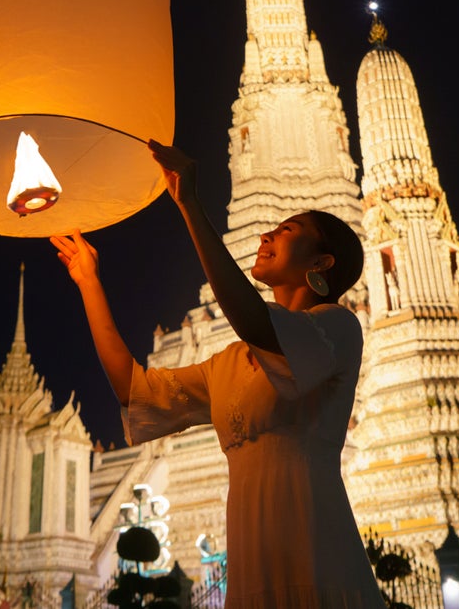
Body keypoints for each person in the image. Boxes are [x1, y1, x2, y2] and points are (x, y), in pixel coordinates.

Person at [52, 141, 383, 609]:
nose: (266, 235)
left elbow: (256, 321)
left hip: (317, 549)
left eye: (286, 230)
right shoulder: (228, 361)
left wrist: (190, 206)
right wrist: (89, 281)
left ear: (320, 264)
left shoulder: (337, 327)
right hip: (250, 558)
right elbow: (134, 389)